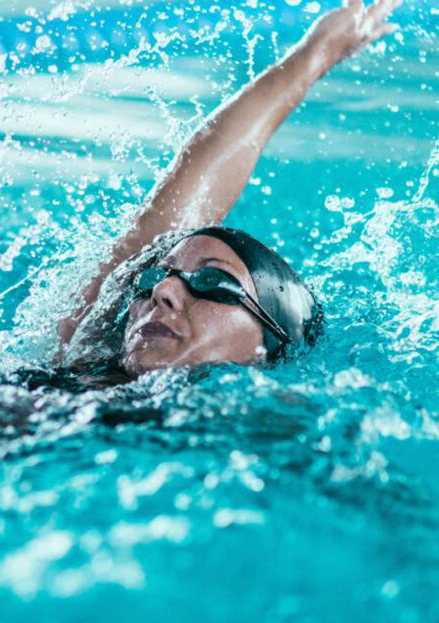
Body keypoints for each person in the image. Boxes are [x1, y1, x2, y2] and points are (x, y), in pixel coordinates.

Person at [50, 0, 402, 387]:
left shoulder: (275, 430)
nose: (162, 291)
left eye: (213, 282)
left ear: (268, 344)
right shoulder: (80, 367)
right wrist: (316, 53)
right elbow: (157, 227)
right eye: (150, 280)